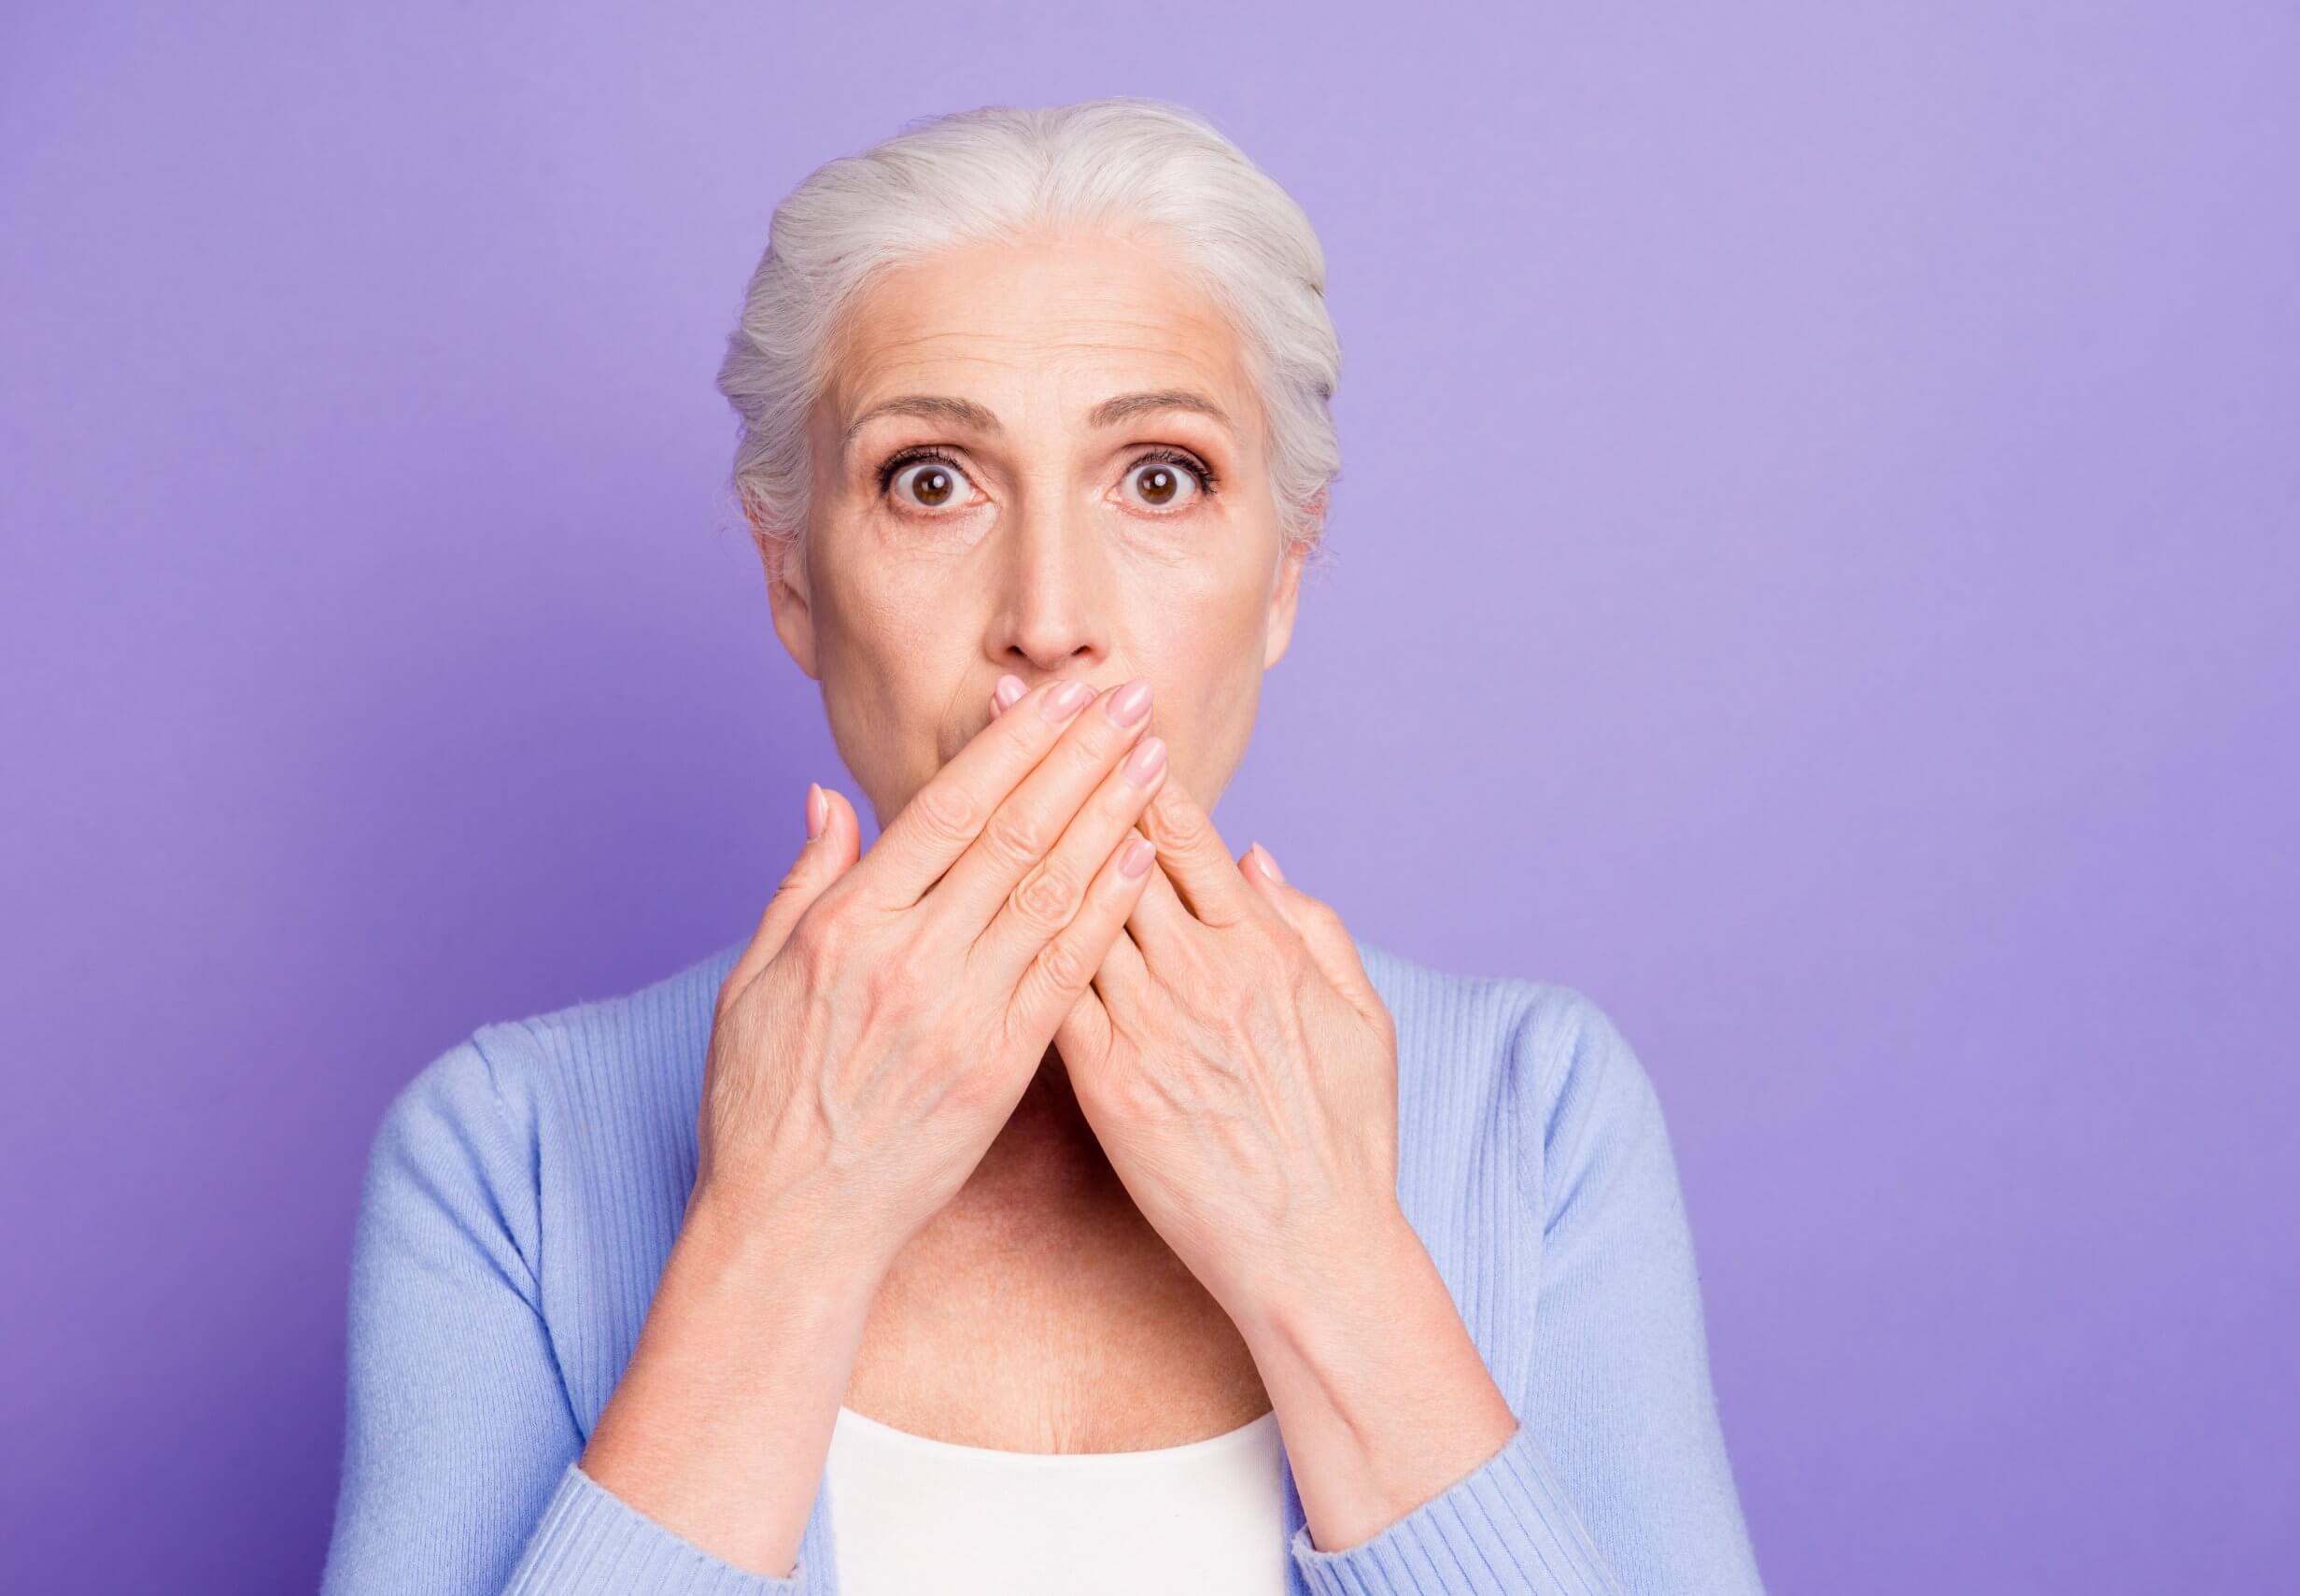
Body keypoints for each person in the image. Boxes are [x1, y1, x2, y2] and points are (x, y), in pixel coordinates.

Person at [320, 96, 1767, 1596]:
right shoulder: (513, 1156)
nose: (1051, 614)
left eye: (1160, 475)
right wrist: (784, 1222)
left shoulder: (1538, 1119)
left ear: (1284, 572)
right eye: (931, 478)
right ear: (792, 578)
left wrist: (1327, 1253)